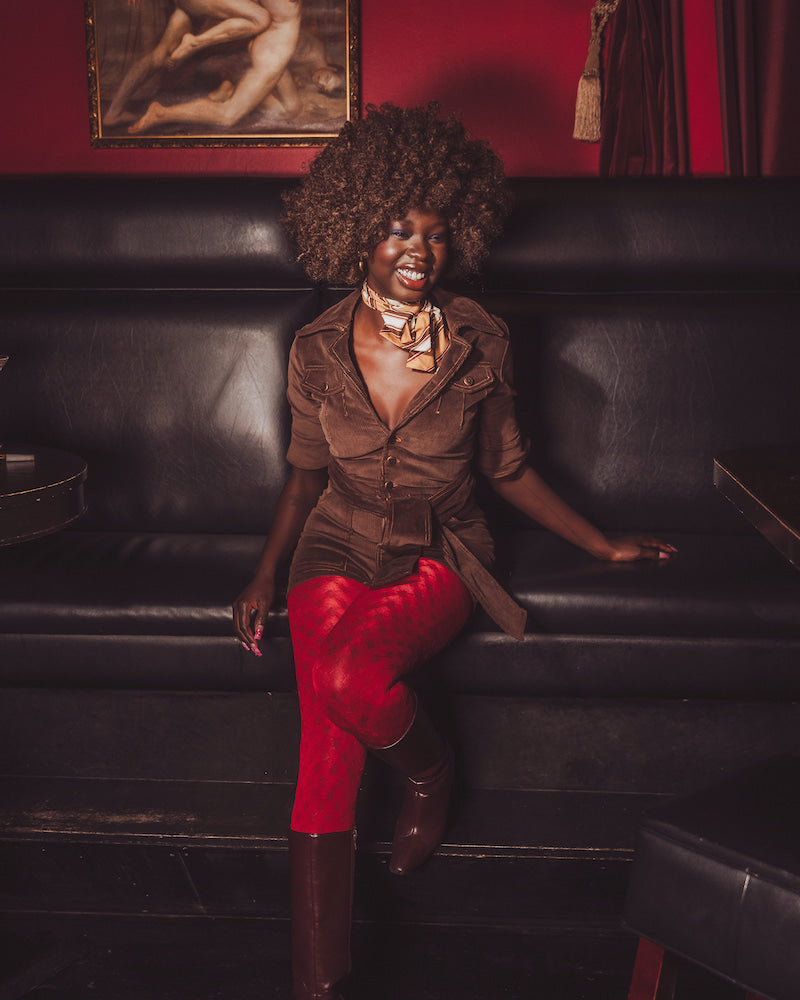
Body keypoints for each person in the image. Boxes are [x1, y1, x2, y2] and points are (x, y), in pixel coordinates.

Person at [232, 103, 676, 1000]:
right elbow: (303, 478)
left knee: (353, 682)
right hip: (333, 543)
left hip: (441, 547)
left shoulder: (482, 339)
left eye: (435, 234)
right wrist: (264, 571)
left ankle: (431, 774)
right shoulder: (314, 350)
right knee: (325, 734)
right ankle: (320, 988)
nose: (417, 249)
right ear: (358, 228)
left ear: (457, 238)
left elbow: (509, 472)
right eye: (398, 226)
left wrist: (603, 542)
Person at [129, 0, 301, 132]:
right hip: (274, 46)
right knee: (228, 115)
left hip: (273, 37)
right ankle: (161, 114)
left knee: (291, 109)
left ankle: (231, 88)